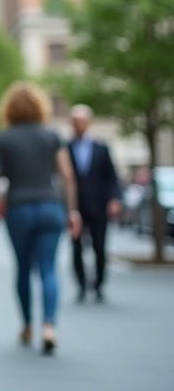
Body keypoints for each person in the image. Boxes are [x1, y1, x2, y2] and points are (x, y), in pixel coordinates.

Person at [0, 82, 81, 355]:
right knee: (48, 269)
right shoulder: (52, 136)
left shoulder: (3, 138)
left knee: (23, 268)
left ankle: (27, 325)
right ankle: (49, 326)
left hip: (19, 208)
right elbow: (67, 175)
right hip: (50, 206)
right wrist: (72, 210)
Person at [67, 104, 121, 303]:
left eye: (81, 120)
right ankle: (81, 284)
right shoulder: (65, 148)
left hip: (99, 206)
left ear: (88, 122)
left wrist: (114, 199)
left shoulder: (101, 148)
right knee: (76, 248)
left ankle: (98, 284)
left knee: (99, 247)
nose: (78, 125)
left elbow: (111, 177)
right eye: (75, 121)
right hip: (76, 207)